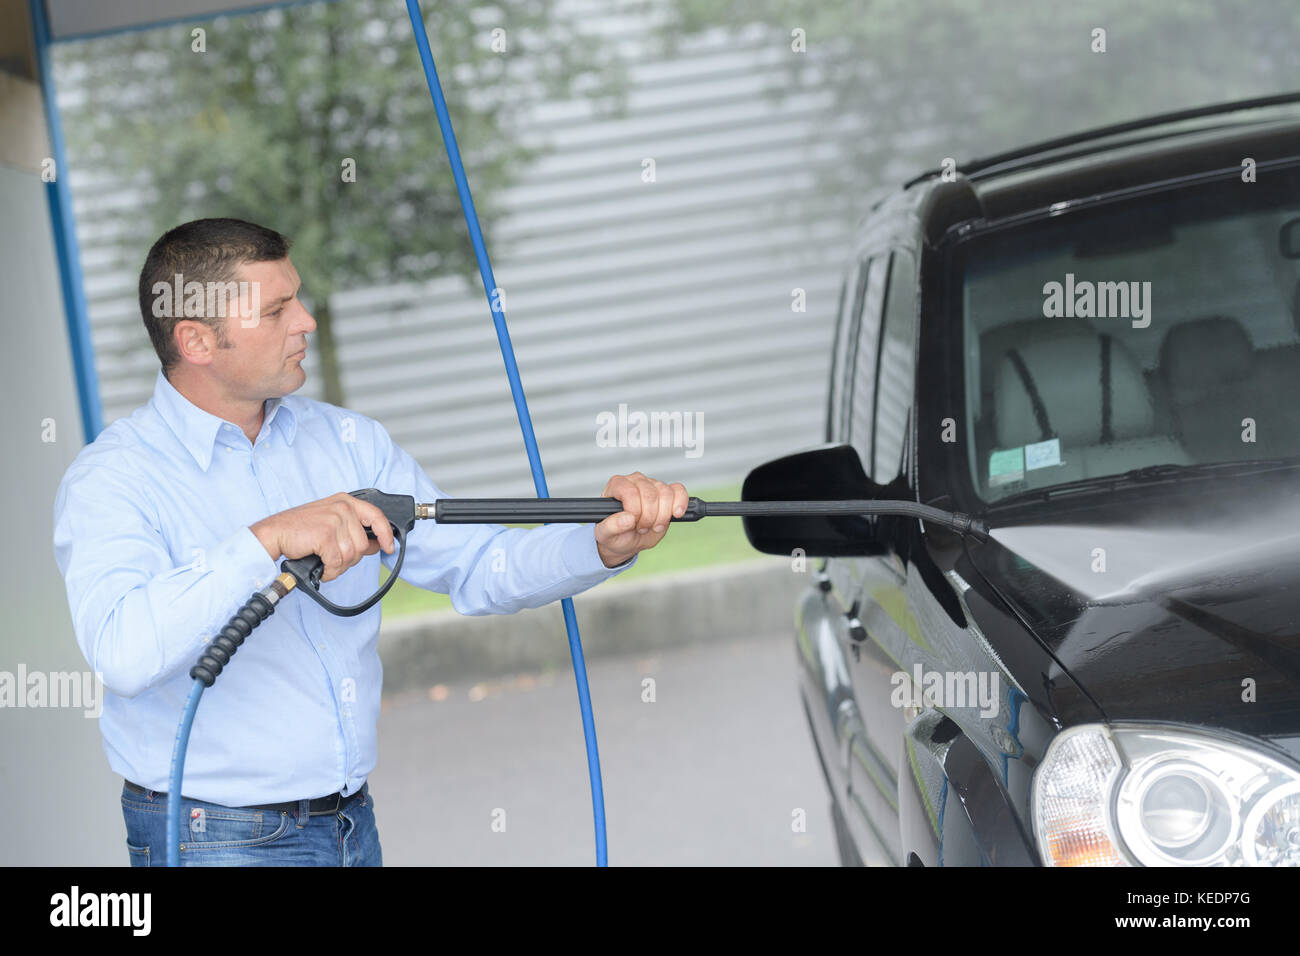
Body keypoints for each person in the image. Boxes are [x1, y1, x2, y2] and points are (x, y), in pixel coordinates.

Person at [52, 217, 688, 866]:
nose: (306, 322)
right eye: (277, 310)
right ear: (196, 339)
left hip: (351, 824)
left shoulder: (349, 443)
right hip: (213, 839)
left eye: (297, 298)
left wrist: (603, 544)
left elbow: (479, 567)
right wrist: (264, 540)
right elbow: (124, 654)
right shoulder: (113, 480)